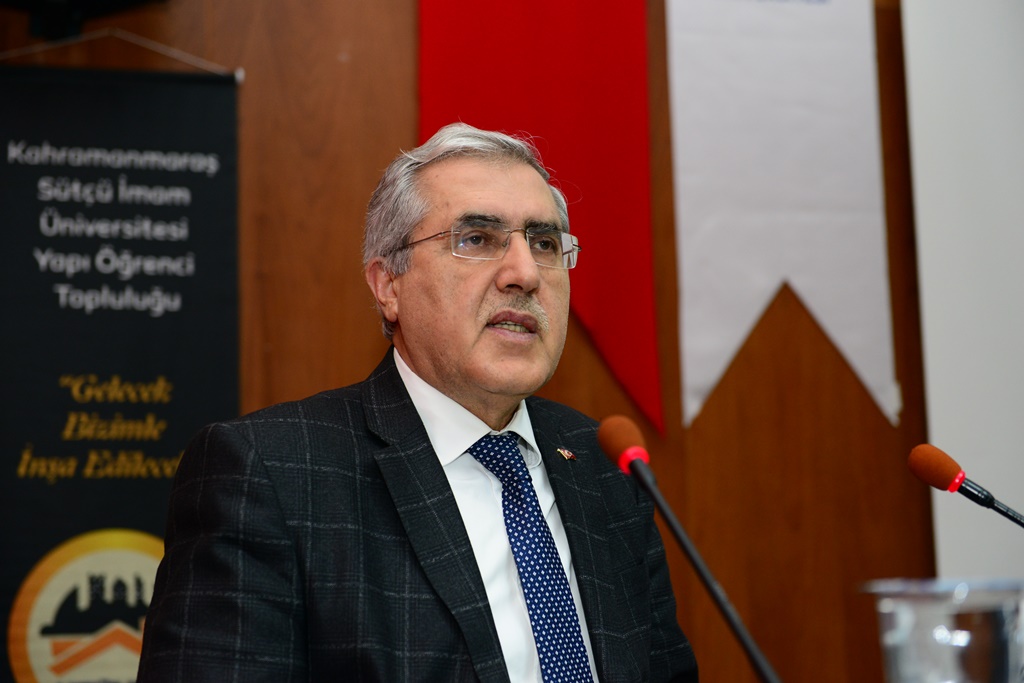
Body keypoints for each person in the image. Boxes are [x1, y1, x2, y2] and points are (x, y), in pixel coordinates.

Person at [137, 123, 698, 682]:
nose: (525, 274)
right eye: (477, 239)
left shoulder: (604, 468)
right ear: (389, 285)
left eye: (545, 244)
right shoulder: (271, 474)